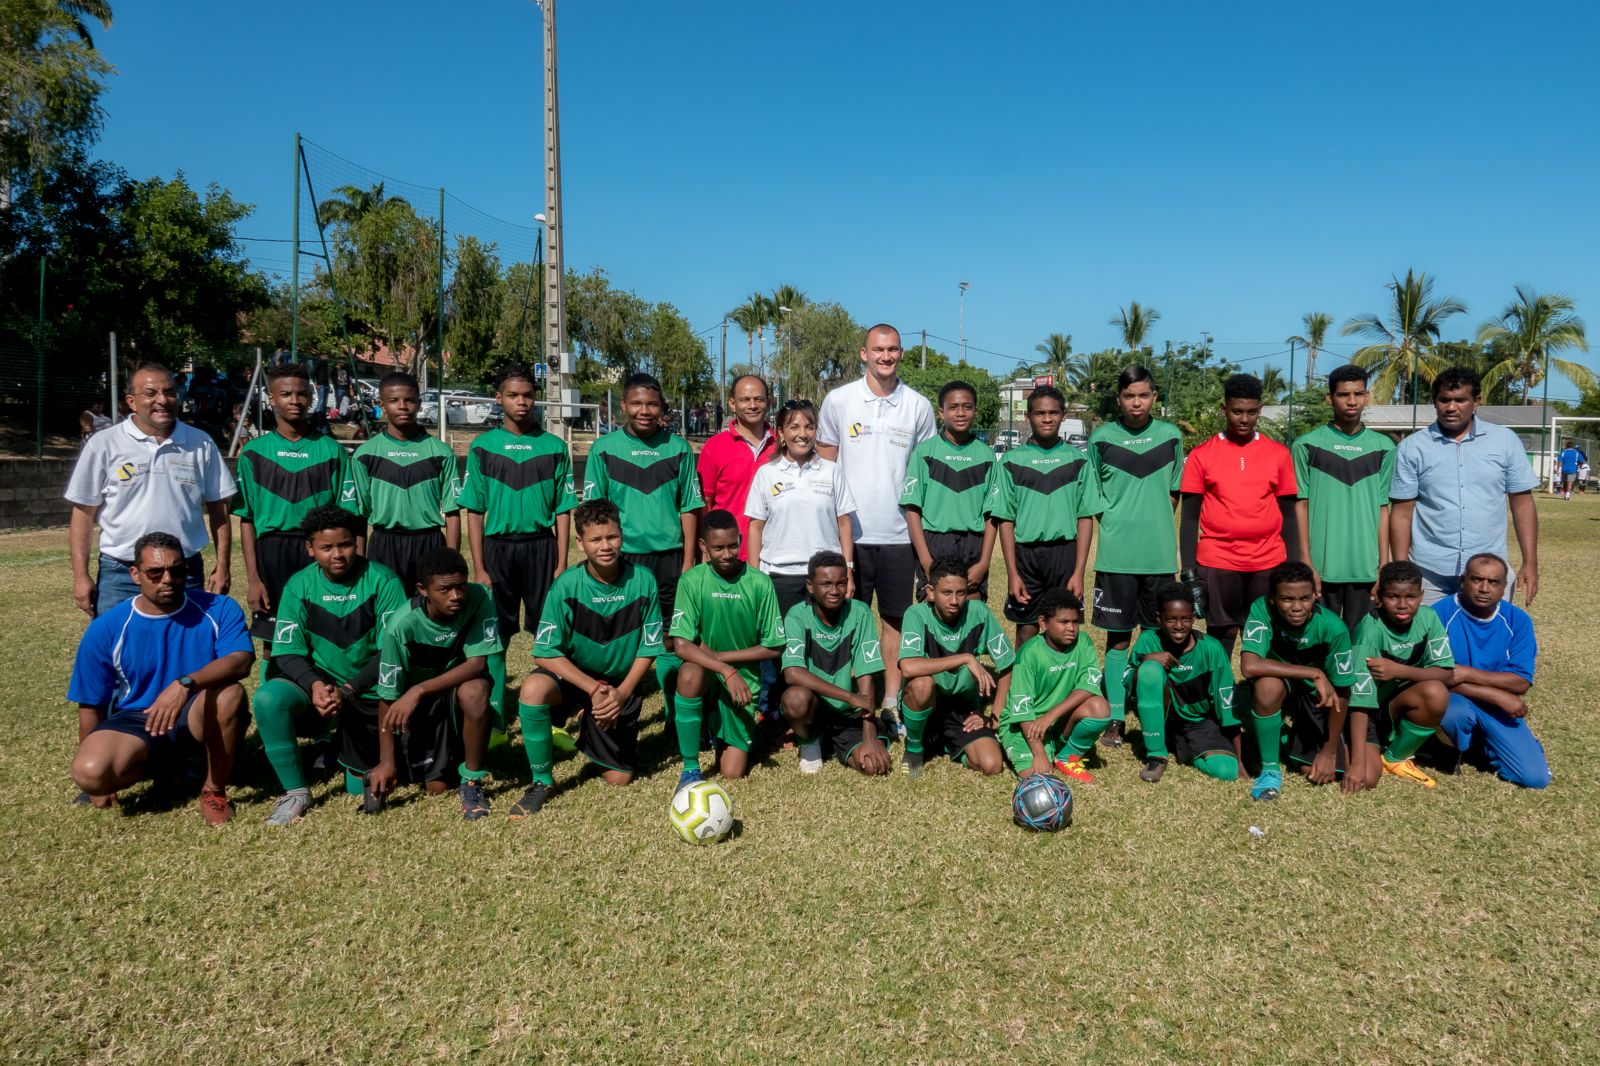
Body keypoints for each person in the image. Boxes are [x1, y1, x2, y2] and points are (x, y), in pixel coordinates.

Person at [66, 531, 254, 826]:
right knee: (90, 773)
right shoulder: (107, 627)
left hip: (196, 713)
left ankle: (213, 790)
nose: (167, 579)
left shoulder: (218, 608)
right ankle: (169, 769)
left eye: (176, 570)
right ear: (135, 574)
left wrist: (185, 683)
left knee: (230, 694)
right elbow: (91, 705)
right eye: (155, 572)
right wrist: (100, 786)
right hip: (138, 718)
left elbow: (241, 661)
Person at [252, 506, 409, 826]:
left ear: (356, 542)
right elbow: (287, 651)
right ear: (310, 549)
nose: (337, 554)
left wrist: (350, 689)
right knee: (269, 698)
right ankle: (296, 791)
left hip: (366, 690)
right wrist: (313, 685)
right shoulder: (299, 585)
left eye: (345, 544)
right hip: (320, 689)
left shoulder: (383, 580)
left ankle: (337, 746)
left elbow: (393, 652)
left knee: (357, 788)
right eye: (326, 547)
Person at [817, 323, 937, 718]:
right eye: (878, 349)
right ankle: (843, 698)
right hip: (848, 535)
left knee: (893, 621)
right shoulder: (839, 400)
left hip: (899, 536)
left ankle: (888, 702)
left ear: (901, 353)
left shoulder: (917, 405)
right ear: (863, 354)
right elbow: (825, 471)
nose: (886, 356)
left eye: (893, 349)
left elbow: (923, 473)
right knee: (844, 617)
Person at [514, 499, 663, 814]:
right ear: (580, 543)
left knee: (620, 778)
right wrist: (592, 689)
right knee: (532, 689)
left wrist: (620, 694)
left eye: (612, 537)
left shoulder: (644, 580)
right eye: (596, 539)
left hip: (618, 687)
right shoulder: (566, 586)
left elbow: (649, 647)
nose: (606, 546)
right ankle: (542, 779)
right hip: (575, 679)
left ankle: (590, 731)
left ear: (622, 535)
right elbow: (544, 652)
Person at [66, 362, 236, 619]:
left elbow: (219, 509)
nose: (162, 400)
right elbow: (83, 513)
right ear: (131, 401)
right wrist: (81, 576)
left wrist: (223, 566)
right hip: (120, 574)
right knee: (119, 652)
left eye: (169, 392)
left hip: (184, 571)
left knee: (184, 650)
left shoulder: (200, 442)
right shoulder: (104, 444)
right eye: (151, 393)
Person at [458, 364, 577, 726]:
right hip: (497, 552)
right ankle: (494, 718)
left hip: (541, 549)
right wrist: (479, 568)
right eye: (513, 395)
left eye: (527, 395)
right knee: (496, 636)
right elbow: (474, 511)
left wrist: (560, 562)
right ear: (499, 398)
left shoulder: (555, 447)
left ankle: (555, 712)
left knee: (551, 634)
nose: (521, 402)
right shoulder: (482, 447)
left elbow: (563, 509)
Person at [583, 372, 704, 697]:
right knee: (621, 631)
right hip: (623, 558)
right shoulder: (604, 449)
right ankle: (614, 697)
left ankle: (671, 708)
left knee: (670, 633)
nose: (645, 410)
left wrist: (689, 559)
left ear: (661, 406)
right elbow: (594, 511)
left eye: (652, 404)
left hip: (670, 557)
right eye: (636, 403)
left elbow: (690, 508)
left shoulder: (679, 449)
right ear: (623, 405)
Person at [1086, 367, 1183, 746]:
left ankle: (1153, 713)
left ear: (1154, 396)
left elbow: (1173, 493)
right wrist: (1119, 524)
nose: (1137, 403)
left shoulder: (1171, 437)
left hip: (1159, 558)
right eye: (1129, 396)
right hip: (1117, 558)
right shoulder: (1101, 439)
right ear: (1119, 399)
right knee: (1118, 640)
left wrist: (1152, 520)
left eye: (1143, 395)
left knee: (1158, 640)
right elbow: (1095, 499)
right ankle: (1115, 719)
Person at [1390, 366, 1539, 606]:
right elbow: (1402, 512)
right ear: (1434, 402)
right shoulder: (1412, 448)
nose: (1451, 407)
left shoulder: (1505, 441)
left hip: (1488, 572)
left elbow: (1522, 504)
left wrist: (1530, 562)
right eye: (1444, 400)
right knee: (1430, 642)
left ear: (1476, 401)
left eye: (1460, 400)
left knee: (1487, 640)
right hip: (1430, 571)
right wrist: (1401, 570)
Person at [371, 548, 502, 819]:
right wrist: (386, 761)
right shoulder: (400, 627)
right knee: (436, 788)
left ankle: (472, 782)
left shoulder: (479, 598)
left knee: (476, 691)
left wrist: (419, 690)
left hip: (452, 689)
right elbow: (388, 696)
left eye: (461, 586)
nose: (456, 596)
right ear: (423, 589)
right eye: (445, 589)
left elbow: (477, 664)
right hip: (417, 707)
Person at [234, 362, 358, 643]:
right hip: (272, 552)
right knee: (275, 638)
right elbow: (247, 520)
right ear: (272, 398)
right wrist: (253, 578)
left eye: (301, 394)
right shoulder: (253, 454)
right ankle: (272, 687)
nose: (295, 401)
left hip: (319, 551)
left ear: (311, 397)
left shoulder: (331, 451)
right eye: (286, 394)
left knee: (323, 635)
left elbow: (348, 516)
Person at [1179, 373, 1300, 659]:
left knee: (1263, 635)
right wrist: (1188, 572)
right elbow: (1188, 519)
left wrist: (1293, 568)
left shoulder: (1278, 454)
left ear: (1259, 410)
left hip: (1267, 562)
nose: (1244, 419)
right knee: (1223, 634)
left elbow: (1290, 518)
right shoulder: (1201, 455)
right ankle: (1219, 698)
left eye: (1251, 412)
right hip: (1218, 561)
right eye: (1237, 412)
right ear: (1224, 410)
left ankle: (1262, 698)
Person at [670, 509, 786, 784]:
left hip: (744, 683)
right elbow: (682, 645)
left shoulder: (759, 582)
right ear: (703, 547)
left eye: (733, 545)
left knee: (732, 773)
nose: (727, 554)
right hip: (710, 674)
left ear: (741, 540)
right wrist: (724, 669)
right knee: (689, 674)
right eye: (718, 548)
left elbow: (773, 647)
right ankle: (689, 768)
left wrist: (725, 660)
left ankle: (721, 729)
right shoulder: (691, 581)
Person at [1239, 561, 1365, 801]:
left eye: (1305, 598)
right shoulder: (1261, 609)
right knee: (1267, 688)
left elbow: (1342, 692)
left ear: (1316, 595)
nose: (1297, 607)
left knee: (1318, 771)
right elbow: (1249, 666)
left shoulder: (1333, 628)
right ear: (1273, 599)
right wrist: (1314, 673)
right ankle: (1270, 769)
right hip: (1284, 682)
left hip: (1317, 697)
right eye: (1287, 599)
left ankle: (1287, 738)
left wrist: (1328, 752)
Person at [992, 385, 1104, 650]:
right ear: (1028, 416)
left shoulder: (1078, 460)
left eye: (1054, 412)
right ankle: (1023, 687)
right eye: (1040, 413)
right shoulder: (1011, 461)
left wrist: (1079, 572)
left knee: (1065, 626)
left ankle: (1062, 687)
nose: (1047, 418)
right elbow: (1005, 520)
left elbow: (1085, 518)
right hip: (1026, 555)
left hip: (1064, 554)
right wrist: (1012, 573)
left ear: (1063, 415)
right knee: (1026, 629)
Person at [1432, 553, 1549, 789]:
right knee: (1456, 713)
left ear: (1505, 587)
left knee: (1534, 778)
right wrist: (1495, 694)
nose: (1484, 588)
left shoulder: (1518, 620)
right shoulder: (1439, 614)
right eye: (1477, 580)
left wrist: (1466, 673)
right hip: (1455, 698)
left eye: (1494, 582)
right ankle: (1449, 748)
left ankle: (1484, 744)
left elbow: (1520, 682)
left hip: (1494, 707)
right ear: (1463, 580)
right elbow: (1433, 676)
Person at [1292, 364, 1394, 630]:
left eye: (1358, 394)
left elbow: (1383, 509)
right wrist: (1306, 560)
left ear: (1367, 396)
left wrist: (1383, 565)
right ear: (1329, 398)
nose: (1352, 401)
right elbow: (1300, 505)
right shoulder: (1306, 445)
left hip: (1366, 570)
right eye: (1343, 395)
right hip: (1321, 571)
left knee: (1361, 649)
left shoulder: (1384, 447)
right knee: (1320, 646)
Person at [896, 556, 1012, 779]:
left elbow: (1007, 665)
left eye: (961, 593)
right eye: (946, 592)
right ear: (930, 592)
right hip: (926, 704)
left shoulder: (979, 613)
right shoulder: (916, 614)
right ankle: (914, 747)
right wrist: (965, 658)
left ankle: (950, 745)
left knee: (992, 765)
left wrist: (994, 718)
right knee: (922, 684)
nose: (955, 600)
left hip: (962, 709)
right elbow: (908, 667)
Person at [779, 551, 891, 775]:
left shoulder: (860, 613)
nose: (835, 591)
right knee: (795, 698)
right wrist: (850, 696)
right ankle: (810, 740)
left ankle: (841, 742)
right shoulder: (796, 615)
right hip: (815, 709)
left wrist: (869, 737)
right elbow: (792, 673)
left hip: (849, 716)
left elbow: (866, 676)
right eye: (826, 584)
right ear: (810, 586)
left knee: (874, 767)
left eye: (841, 583)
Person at [745, 399, 858, 618]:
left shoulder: (832, 471)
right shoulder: (766, 473)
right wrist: (754, 576)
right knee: (781, 646)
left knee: (822, 647)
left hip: (824, 577)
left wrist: (848, 571)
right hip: (778, 576)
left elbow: (844, 522)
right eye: (794, 427)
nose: (802, 434)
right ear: (781, 432)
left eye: (809, 426)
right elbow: (755, 527)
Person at [351, 372, 462, 593]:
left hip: (429, 542)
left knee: (430, 614)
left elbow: (453, 512)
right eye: (393, 401)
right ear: (382, 405)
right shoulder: (365, 454)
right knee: (385, 614)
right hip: (384, 543)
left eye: (409, 400)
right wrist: (358, 562)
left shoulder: (441, 452)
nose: (402, 406)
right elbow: (359, 516)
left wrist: (452, 560)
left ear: (419, 404)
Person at [1347, 561, 1453, 790]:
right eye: (1393, 597)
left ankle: (1394, 758)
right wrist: (1356, 763)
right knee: (1366, 778)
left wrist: (1399, 671)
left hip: (1395, 703)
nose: (1403, 605)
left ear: (1422, 596)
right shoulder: (1369, 633)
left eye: (1411, 597)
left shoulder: (1429, 618)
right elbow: (1358, 703)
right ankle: (1350, 748)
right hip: (1365, 713)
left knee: (1436, 692)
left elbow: (1445, 674)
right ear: (1379, 597)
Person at [1125, 583, 1238, 783]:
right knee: (1150, 670)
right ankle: (1157, 755)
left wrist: (1238, 753)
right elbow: (1126, 683)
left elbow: (1226, 702)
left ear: (1194, 618)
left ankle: (1182, 749)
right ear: (1159, 618)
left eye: (1185, 618)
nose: (1179, 626)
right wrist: (1146, 660)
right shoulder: (1148, 640)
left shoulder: (1211, 649)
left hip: (1200, 723)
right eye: (1171, 619)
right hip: (1163, 718)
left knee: (1226, 771)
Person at [998, 589, 1111, 781]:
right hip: (1024, 725)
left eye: (1075, 622)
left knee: (1100, 707)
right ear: (1043, 623)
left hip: (1055, 721)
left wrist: (1050, 716)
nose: (1071, 628)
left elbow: (1089, 685)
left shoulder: (1083, 642)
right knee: (1037, 778)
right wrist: (1039, 754)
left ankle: (1067, 758)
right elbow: (1022, 708)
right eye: (1063, 622)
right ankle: (1034, 749)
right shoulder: (1029, 653)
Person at [901, 380, 997, 602]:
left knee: (971, 615)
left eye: (967, 406)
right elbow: (912, 510)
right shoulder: (924, 452)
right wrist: (925, 560)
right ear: (941, 413)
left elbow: (992, 515)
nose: (960, 413)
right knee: (933, 614)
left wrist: (984, 562)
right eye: (953, 407)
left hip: (973, 545)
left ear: (975, 411)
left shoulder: (986, 456)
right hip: (934, 544)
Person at [697, 374, 775, 561]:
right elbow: (705, 504)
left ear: (769, 402)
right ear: (732, 404)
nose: (753, 405)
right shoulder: (714, 447)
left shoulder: (782, 446)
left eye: (759, 399)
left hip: (774, 555)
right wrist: (706, 553)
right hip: (729, 556)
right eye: (745, 400)